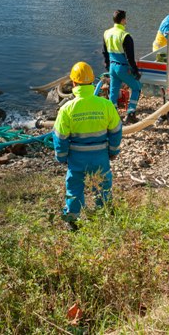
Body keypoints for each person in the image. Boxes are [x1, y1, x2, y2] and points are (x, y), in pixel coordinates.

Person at [53, 61, 122, 228]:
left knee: (74, 188)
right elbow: (116, 130)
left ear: (74, 83)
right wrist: (113, 151)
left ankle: (72, 220)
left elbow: (60, 137)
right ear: (92, 82)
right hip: (100, 156)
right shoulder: (105, 105)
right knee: (102, 187)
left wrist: (61, 157)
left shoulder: (67, 108)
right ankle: (104, 217)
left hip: (77, 158)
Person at [103, 10, 142, 124]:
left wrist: (108, 66)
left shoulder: (106, 33)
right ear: (123, 20)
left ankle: (112, 115)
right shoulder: (125, 36)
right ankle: (130, 113)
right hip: (122, 68)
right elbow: (130, 57)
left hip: (112, 67)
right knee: (137, 87)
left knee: (114, 91)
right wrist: (135, 71)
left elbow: (104, 52)